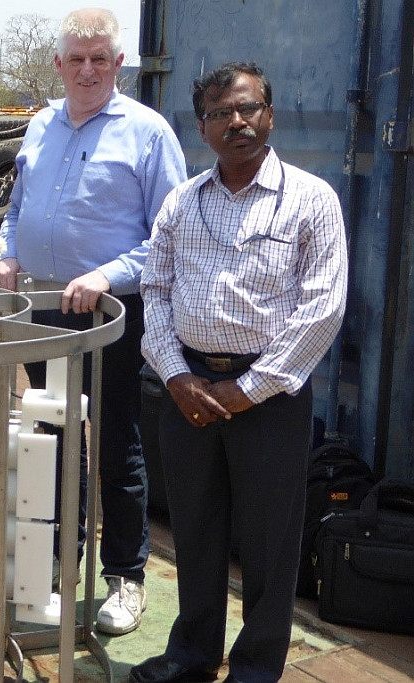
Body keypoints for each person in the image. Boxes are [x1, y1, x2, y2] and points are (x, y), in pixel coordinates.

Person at [132, 62, 347, 683]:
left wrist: (248, 390)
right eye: (221, 113)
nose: (237, 122)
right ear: (203, 127)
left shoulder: (311, 199)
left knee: (269, 541)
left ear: (269, 116)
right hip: (188, 391)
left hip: (271, 395)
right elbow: (155, 291)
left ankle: (255, 668)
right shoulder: (182, 202)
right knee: (194, 530)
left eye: (248, 108)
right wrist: (176, 377)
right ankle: (192, 656)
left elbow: (323, 307)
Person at [0, 7, 187, 635]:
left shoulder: (148, 132)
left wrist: (106, 275)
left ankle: (125, 577)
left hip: (109, 316)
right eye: (76, 58)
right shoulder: (41, 124)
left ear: (118, 63)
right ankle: (56, 561)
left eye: (100, 58)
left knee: (115, 445)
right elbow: (16, 208)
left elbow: (171, 235)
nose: (87, 69)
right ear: (58, 63)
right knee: (50, 436)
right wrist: (8, 253)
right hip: (43, 311)